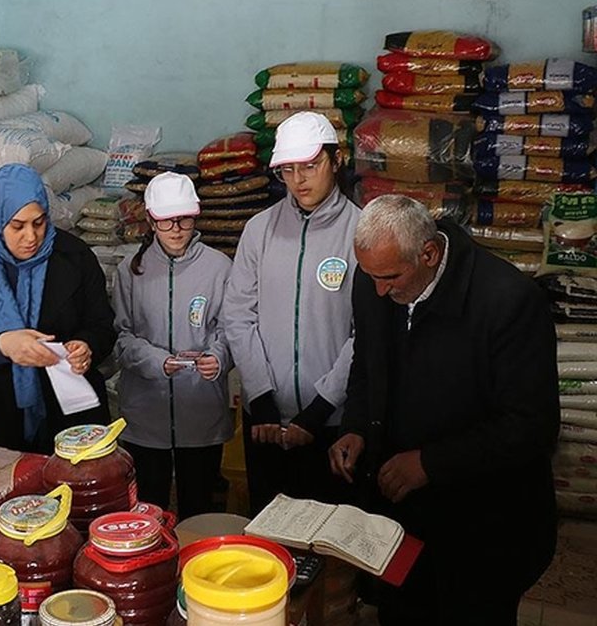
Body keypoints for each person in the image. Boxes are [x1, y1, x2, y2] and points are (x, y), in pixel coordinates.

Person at [330, 195, 558, 625]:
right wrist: (356, 424)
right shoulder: (375, 277)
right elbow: (368, 361)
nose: (379, 290)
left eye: (390, 277)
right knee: (402, 612)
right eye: (371, 276)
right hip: (402, 513)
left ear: (429, 254)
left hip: (484, 522)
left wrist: (429, 463)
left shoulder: (507, 301)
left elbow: (531, 425)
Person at [223, 111, 359, 514]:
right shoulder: (259, 229)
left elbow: (365, 334)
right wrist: (261, 397)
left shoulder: (360, 231)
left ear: (337, 159)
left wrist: (320, 409)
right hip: (264, 421)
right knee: (268, 524)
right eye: (288, 169)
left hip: (329, 423)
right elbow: (238, 315)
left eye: (311, 165)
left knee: (325, 527)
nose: (299, 179)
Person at [0, 163, 116, 452]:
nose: (31, 237)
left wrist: (86, 346)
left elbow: (102, 325)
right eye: (17, 226)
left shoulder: (75, 258)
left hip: (69, 417)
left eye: (39, 223)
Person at [112, 172, 234, 518]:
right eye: (166, 221)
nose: (177, 229)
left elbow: (230, 329)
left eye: (184, 219)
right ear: (151, 221)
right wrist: (157, 362)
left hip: (202, 410)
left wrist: (218, 357)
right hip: (145, 414)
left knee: (200, 509)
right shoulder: (130, 271)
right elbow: (120, 337)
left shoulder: (218, 267)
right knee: (149, 508)